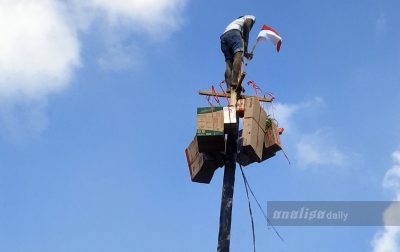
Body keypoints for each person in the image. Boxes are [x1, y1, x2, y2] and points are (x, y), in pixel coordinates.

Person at [220, 15, 256, 93]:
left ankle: (229, 87)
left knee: (229, 62)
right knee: (238, 54)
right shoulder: (251, 17)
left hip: (224, 37)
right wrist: (245, 38)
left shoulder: (234, 23)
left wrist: (245, 53)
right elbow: (247, 24)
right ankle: (235, 81)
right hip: (234, 33)